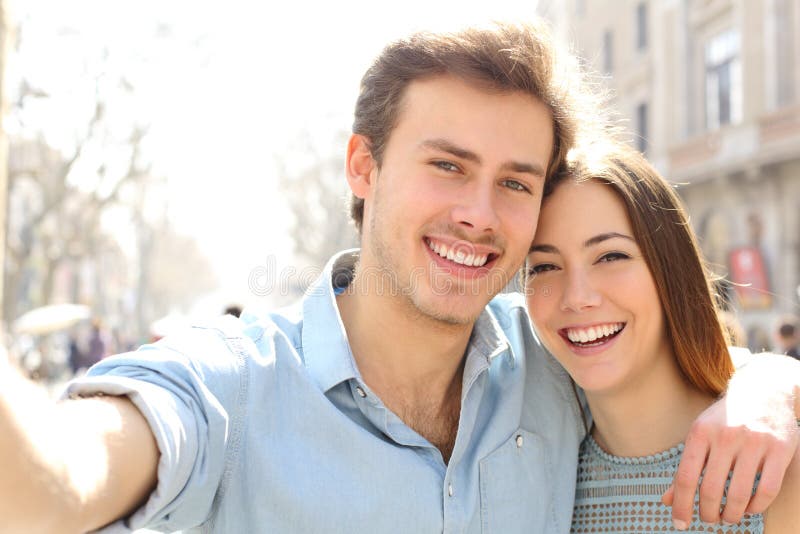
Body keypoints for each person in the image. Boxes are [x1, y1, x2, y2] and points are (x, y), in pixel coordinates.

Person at [0, 21, 798, 533]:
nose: (480, 214)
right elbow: (54, 488)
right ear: (363, 167)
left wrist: (764, 389)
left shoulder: (553, 362)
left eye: (516, 182)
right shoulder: (229, 388)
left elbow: (681, 356)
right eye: (448, 166)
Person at [525, 142, 800, 532]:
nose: (577, 297)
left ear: (670, 268)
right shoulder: (530, 474)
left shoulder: (776, 464)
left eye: (611, 256)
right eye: (545, 266)